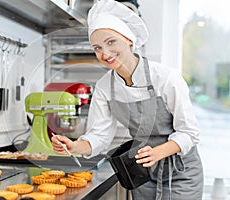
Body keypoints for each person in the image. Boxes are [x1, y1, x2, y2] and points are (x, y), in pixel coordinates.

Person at [51, 0, 204, 199]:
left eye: (111, 42)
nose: (105, 53)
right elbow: (99, 136)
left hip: (182, 172)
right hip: (142, 173)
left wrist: (158, 152)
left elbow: (190, 132)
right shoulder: (105, 87)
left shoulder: (166, 78)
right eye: (97, 47)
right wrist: (74, 147)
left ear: (129, 40)